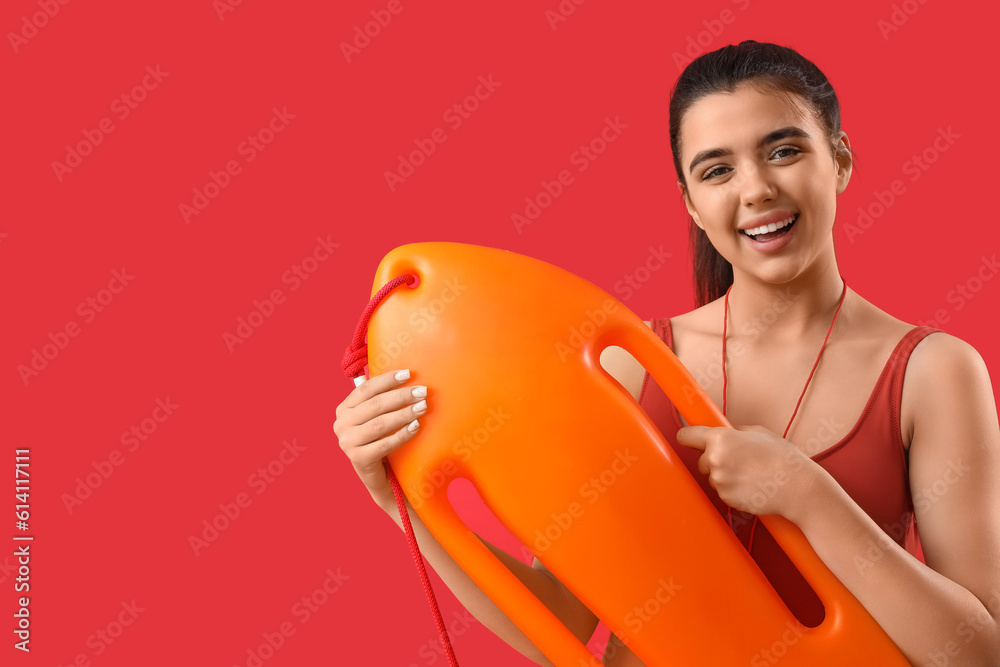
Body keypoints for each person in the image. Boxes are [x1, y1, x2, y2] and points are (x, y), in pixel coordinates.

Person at [334, 40, 1000, 666]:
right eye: (717, 169)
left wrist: (807, 494)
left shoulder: (931, 371)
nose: (756, 189)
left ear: (842, 160)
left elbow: (978, 650)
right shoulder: (622, 368)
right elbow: (561, 623)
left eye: (784, 150)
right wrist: (401, 500)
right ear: (690, 202)